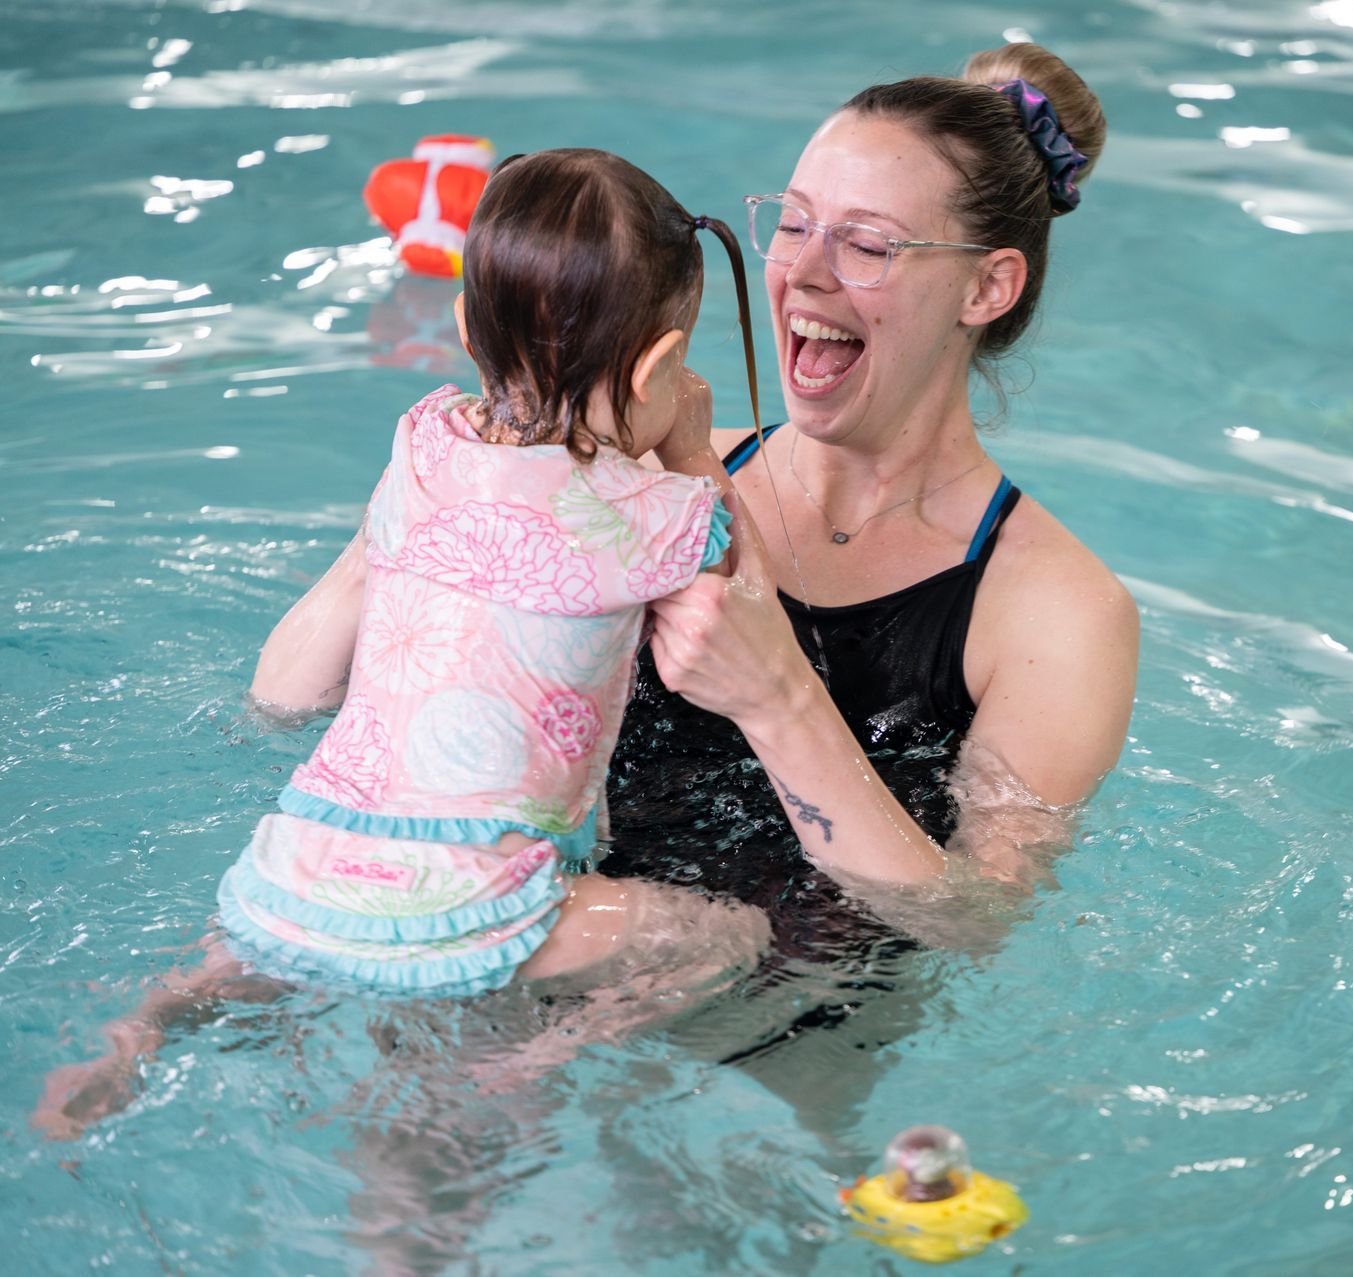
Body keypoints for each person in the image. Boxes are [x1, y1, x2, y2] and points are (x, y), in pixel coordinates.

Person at [33, 148, 773, 1140]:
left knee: (283, 943)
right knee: (727, 939)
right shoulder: (648, 515)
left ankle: (151, 1019)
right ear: (654, 367)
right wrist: (689, 442)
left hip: (300, 862)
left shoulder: (421, 441)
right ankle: (518, 1060)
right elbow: (740, 590)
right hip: (479, 896)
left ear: (466, 328)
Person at [602, 45, 1139, 1006]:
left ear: (987, 287)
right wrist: (424, 502)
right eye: (795, 223)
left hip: (784, 1039)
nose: (803, 274)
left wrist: (778, 697)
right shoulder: (654, 465)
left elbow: (971, 921)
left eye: (868, 244)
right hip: (547, 949)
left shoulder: (1056, 611)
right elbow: (293, 704)